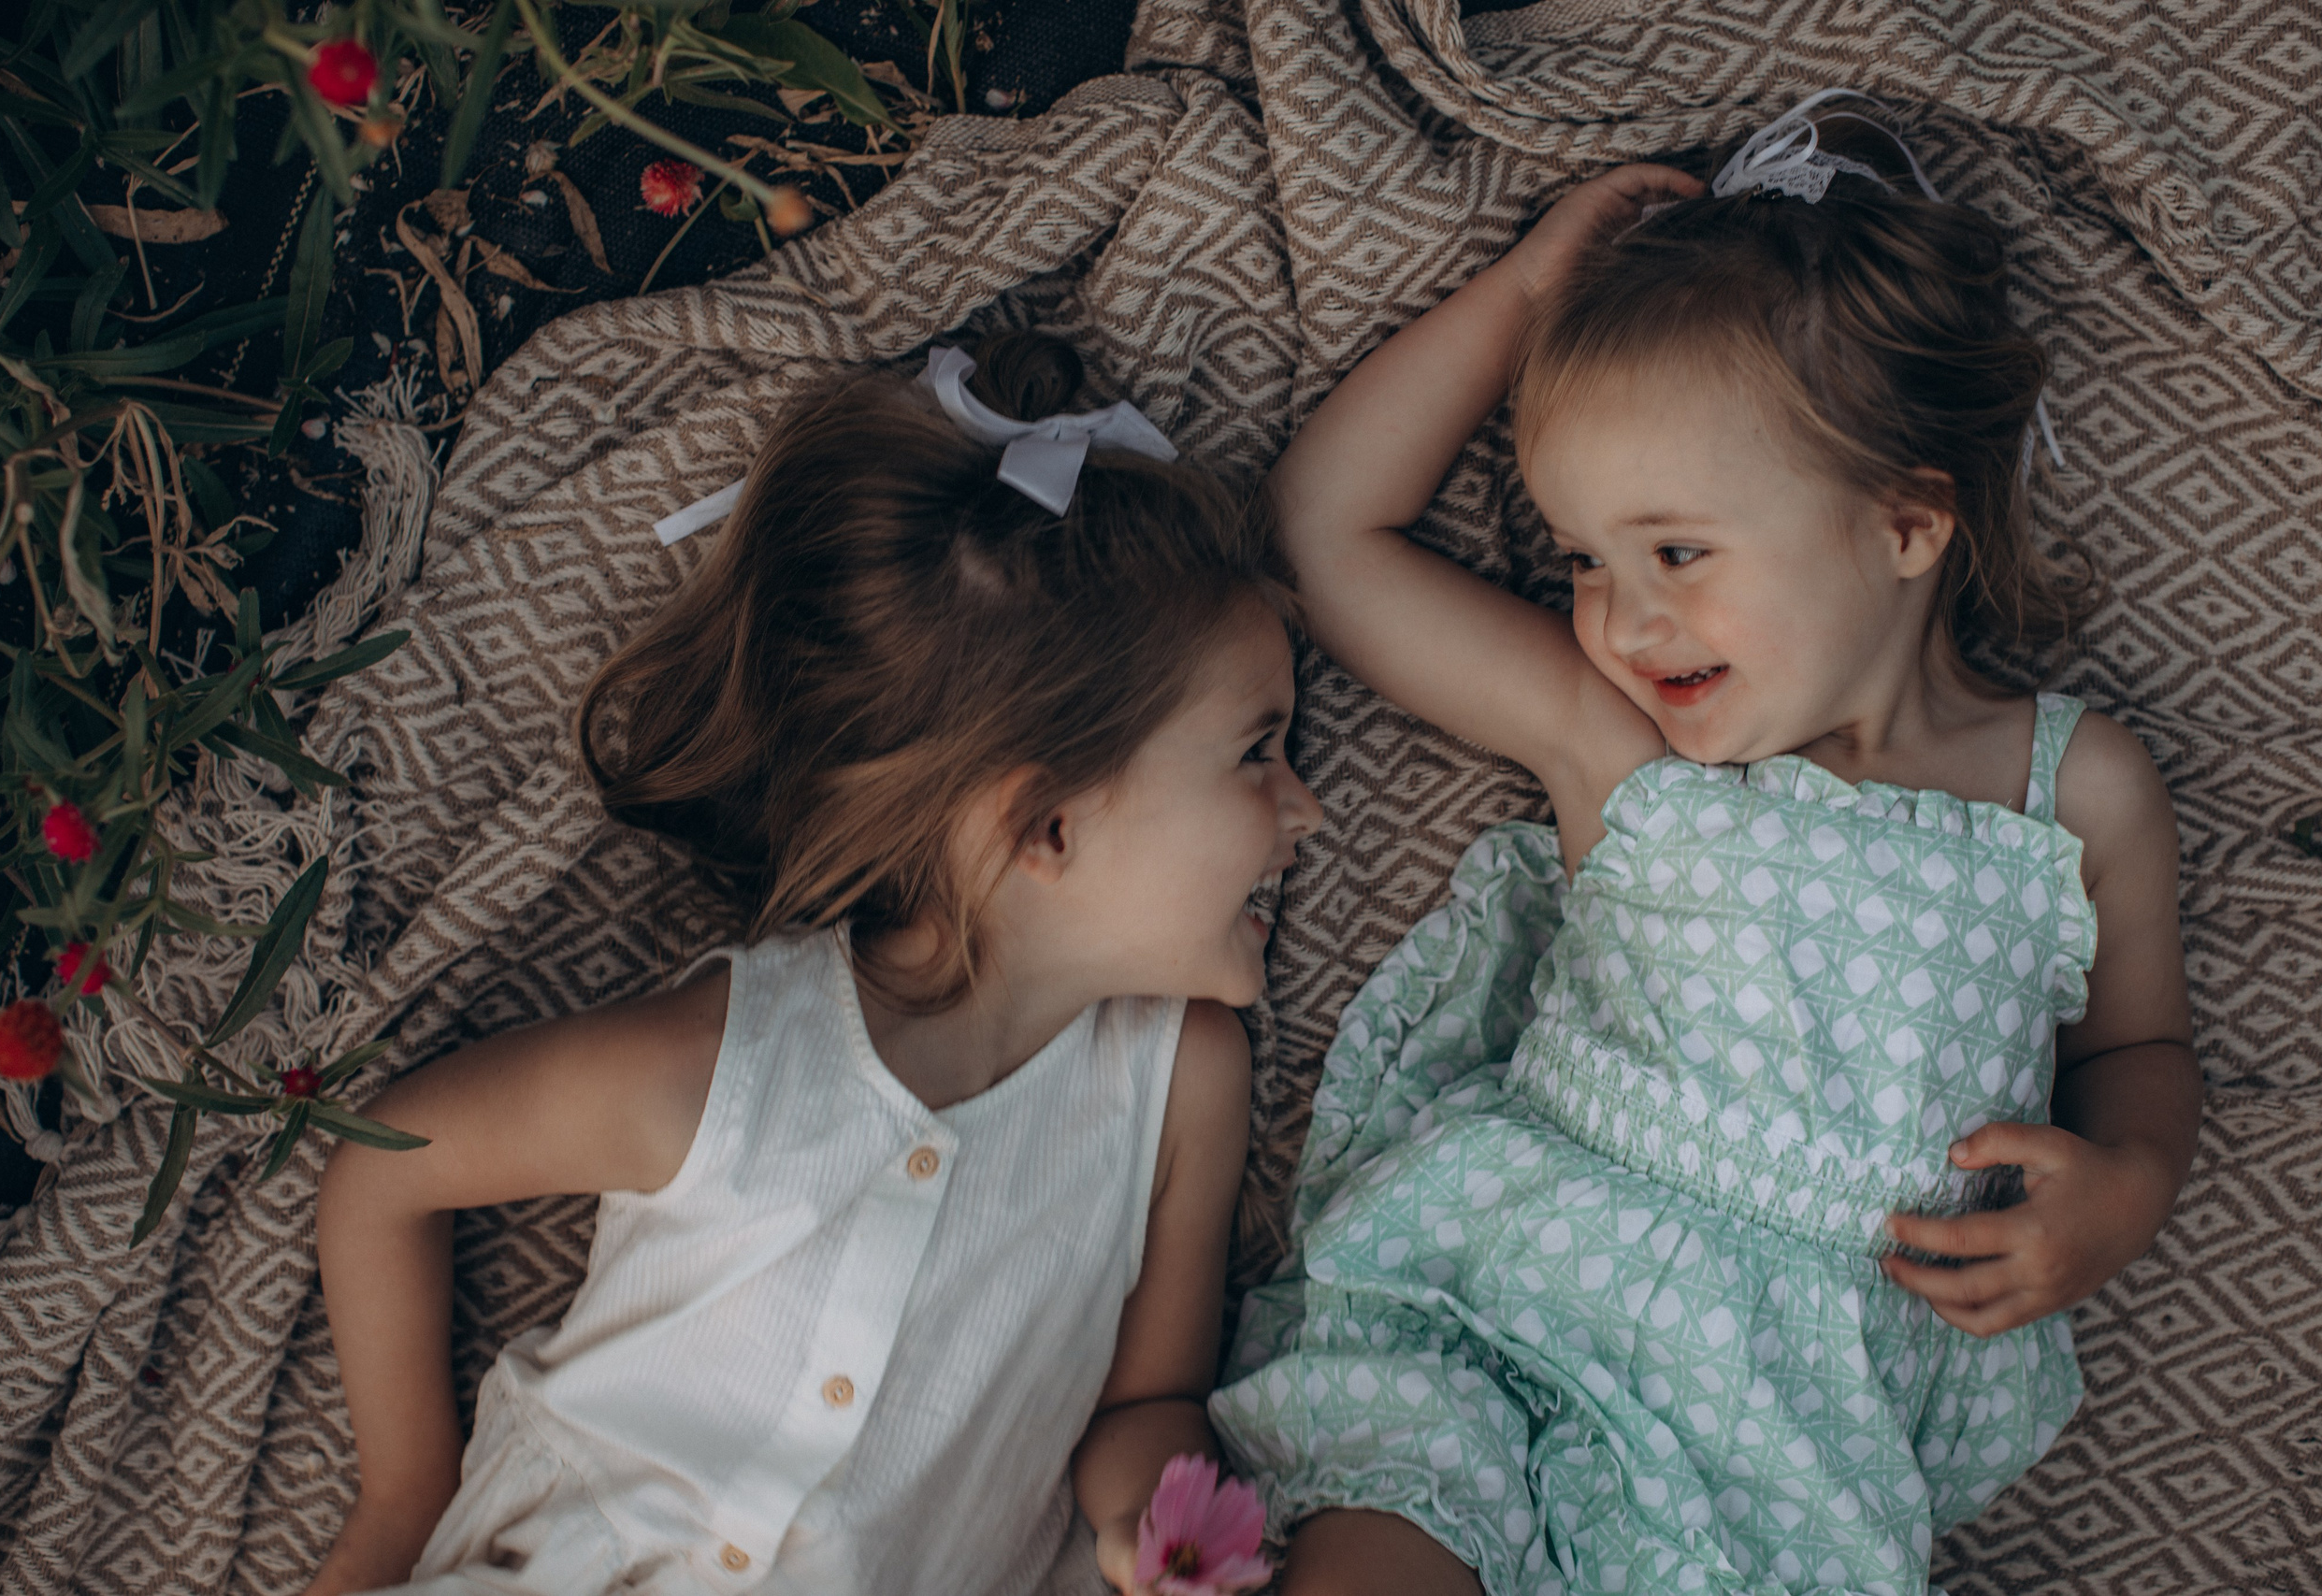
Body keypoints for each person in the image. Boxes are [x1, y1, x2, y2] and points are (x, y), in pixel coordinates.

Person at [1210, 93, 2200, 1595]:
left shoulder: (2077, 795)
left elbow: (2142, 1050)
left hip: (1786, 1433)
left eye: (1677, 551)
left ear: (1907, 520)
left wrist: (2120, 1192)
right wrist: (1527, 291)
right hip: (1505, 1311)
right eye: (1586, 560)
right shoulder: (1623, 751)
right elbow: (1325, 530)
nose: (1627, 617)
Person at [302, 331, 1324, 1596]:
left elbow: (1152, 1398)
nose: (1307, 812)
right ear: (1043, 826)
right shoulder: (731, 1060)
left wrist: (1144, 1533)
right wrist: (400, 1502)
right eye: (1256, 755)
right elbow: (386, 1168)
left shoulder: (1180, 1080)